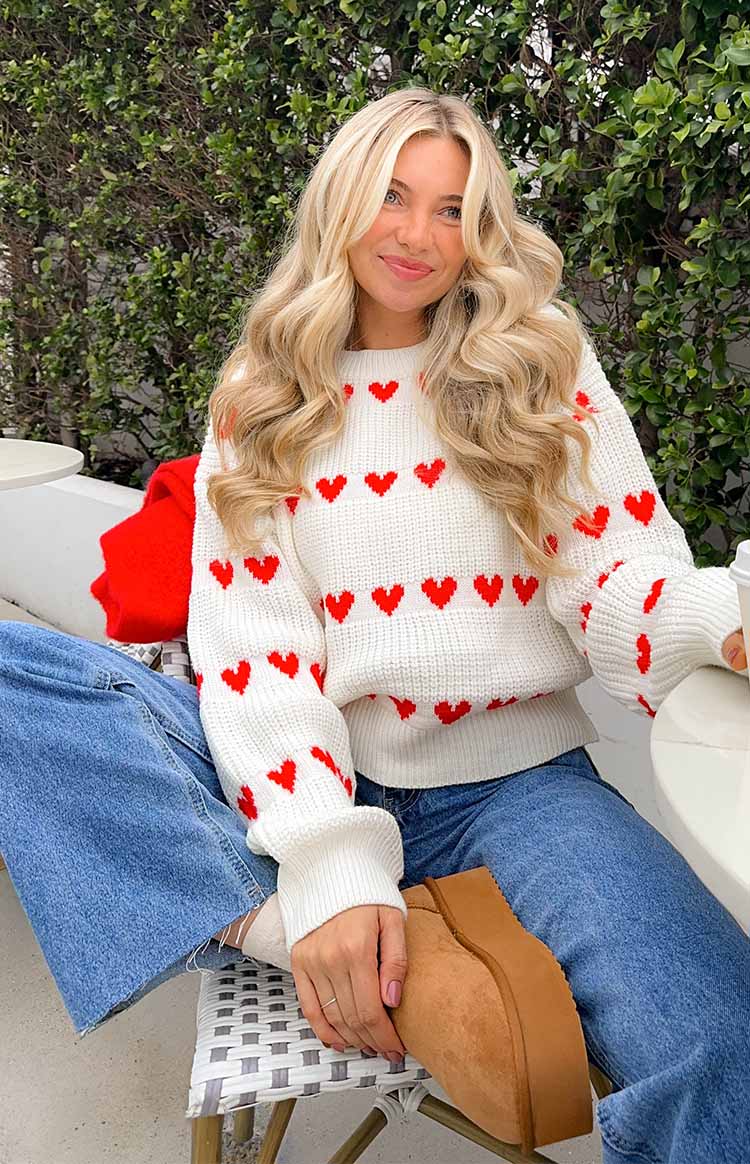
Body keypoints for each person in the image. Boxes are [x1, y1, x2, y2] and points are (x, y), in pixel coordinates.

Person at [1, 86, 748, 1162]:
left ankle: (337, 935)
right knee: (14, 677)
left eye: (453, 210)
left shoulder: (539, 360)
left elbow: (613, 577)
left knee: (721, 1037)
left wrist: (725, 620)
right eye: (393, 196)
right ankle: (302, 932)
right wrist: (328, 865)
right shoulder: (262, 392)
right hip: (316, 773)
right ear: (341, 200)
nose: (418, 236)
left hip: (517, 788)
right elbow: (257, 655)